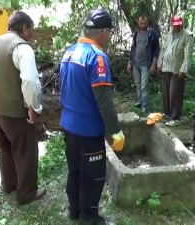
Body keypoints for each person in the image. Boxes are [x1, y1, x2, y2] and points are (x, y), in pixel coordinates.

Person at [0, 11, 46, 205]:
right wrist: (33, 106)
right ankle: (27, 193)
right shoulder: (22, 48)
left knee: (4, 146)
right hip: (14, 110)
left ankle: (9, 184)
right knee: (26, 149)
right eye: (32, 30)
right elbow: (30, 80)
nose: (33, 34)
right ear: (25, 29)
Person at [59, 9, 125, 225]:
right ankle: (90, 217)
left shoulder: (69, 52)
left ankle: (74, 210)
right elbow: (103, 100)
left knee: (75, 170)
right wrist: (115, 131)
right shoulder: (96, 57)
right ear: (103, 32)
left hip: (68, 125)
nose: (109, 37)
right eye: (110, 33)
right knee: (93, 175)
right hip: (89, 130)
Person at [157, 14, 194, 126]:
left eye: (179, 25)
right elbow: (163, 49)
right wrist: (159, 64)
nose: (176, 27)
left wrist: (183, 69)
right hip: (165, 67)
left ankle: (175, 117)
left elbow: (187, 55)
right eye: (174, 25)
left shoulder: (187, 36)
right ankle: (167, 115)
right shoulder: (169, 33)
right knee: (166, 93)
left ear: (182, 23)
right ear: (171, 24)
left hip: (177, 70)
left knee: (175, 94)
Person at [127, 14, 160, 113]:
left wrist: (154, 65)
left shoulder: (152, 33)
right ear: (138, 22)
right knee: (138, 84)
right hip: (136, 63)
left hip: (146, 64)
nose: (143, 25)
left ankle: (145, 105)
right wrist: (130, 63)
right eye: (141, 23)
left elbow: (156, 50)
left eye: (145, 23)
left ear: (147, 21)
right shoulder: (136, 33)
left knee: (144, 85)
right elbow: (133, 48)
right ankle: (140, 101)